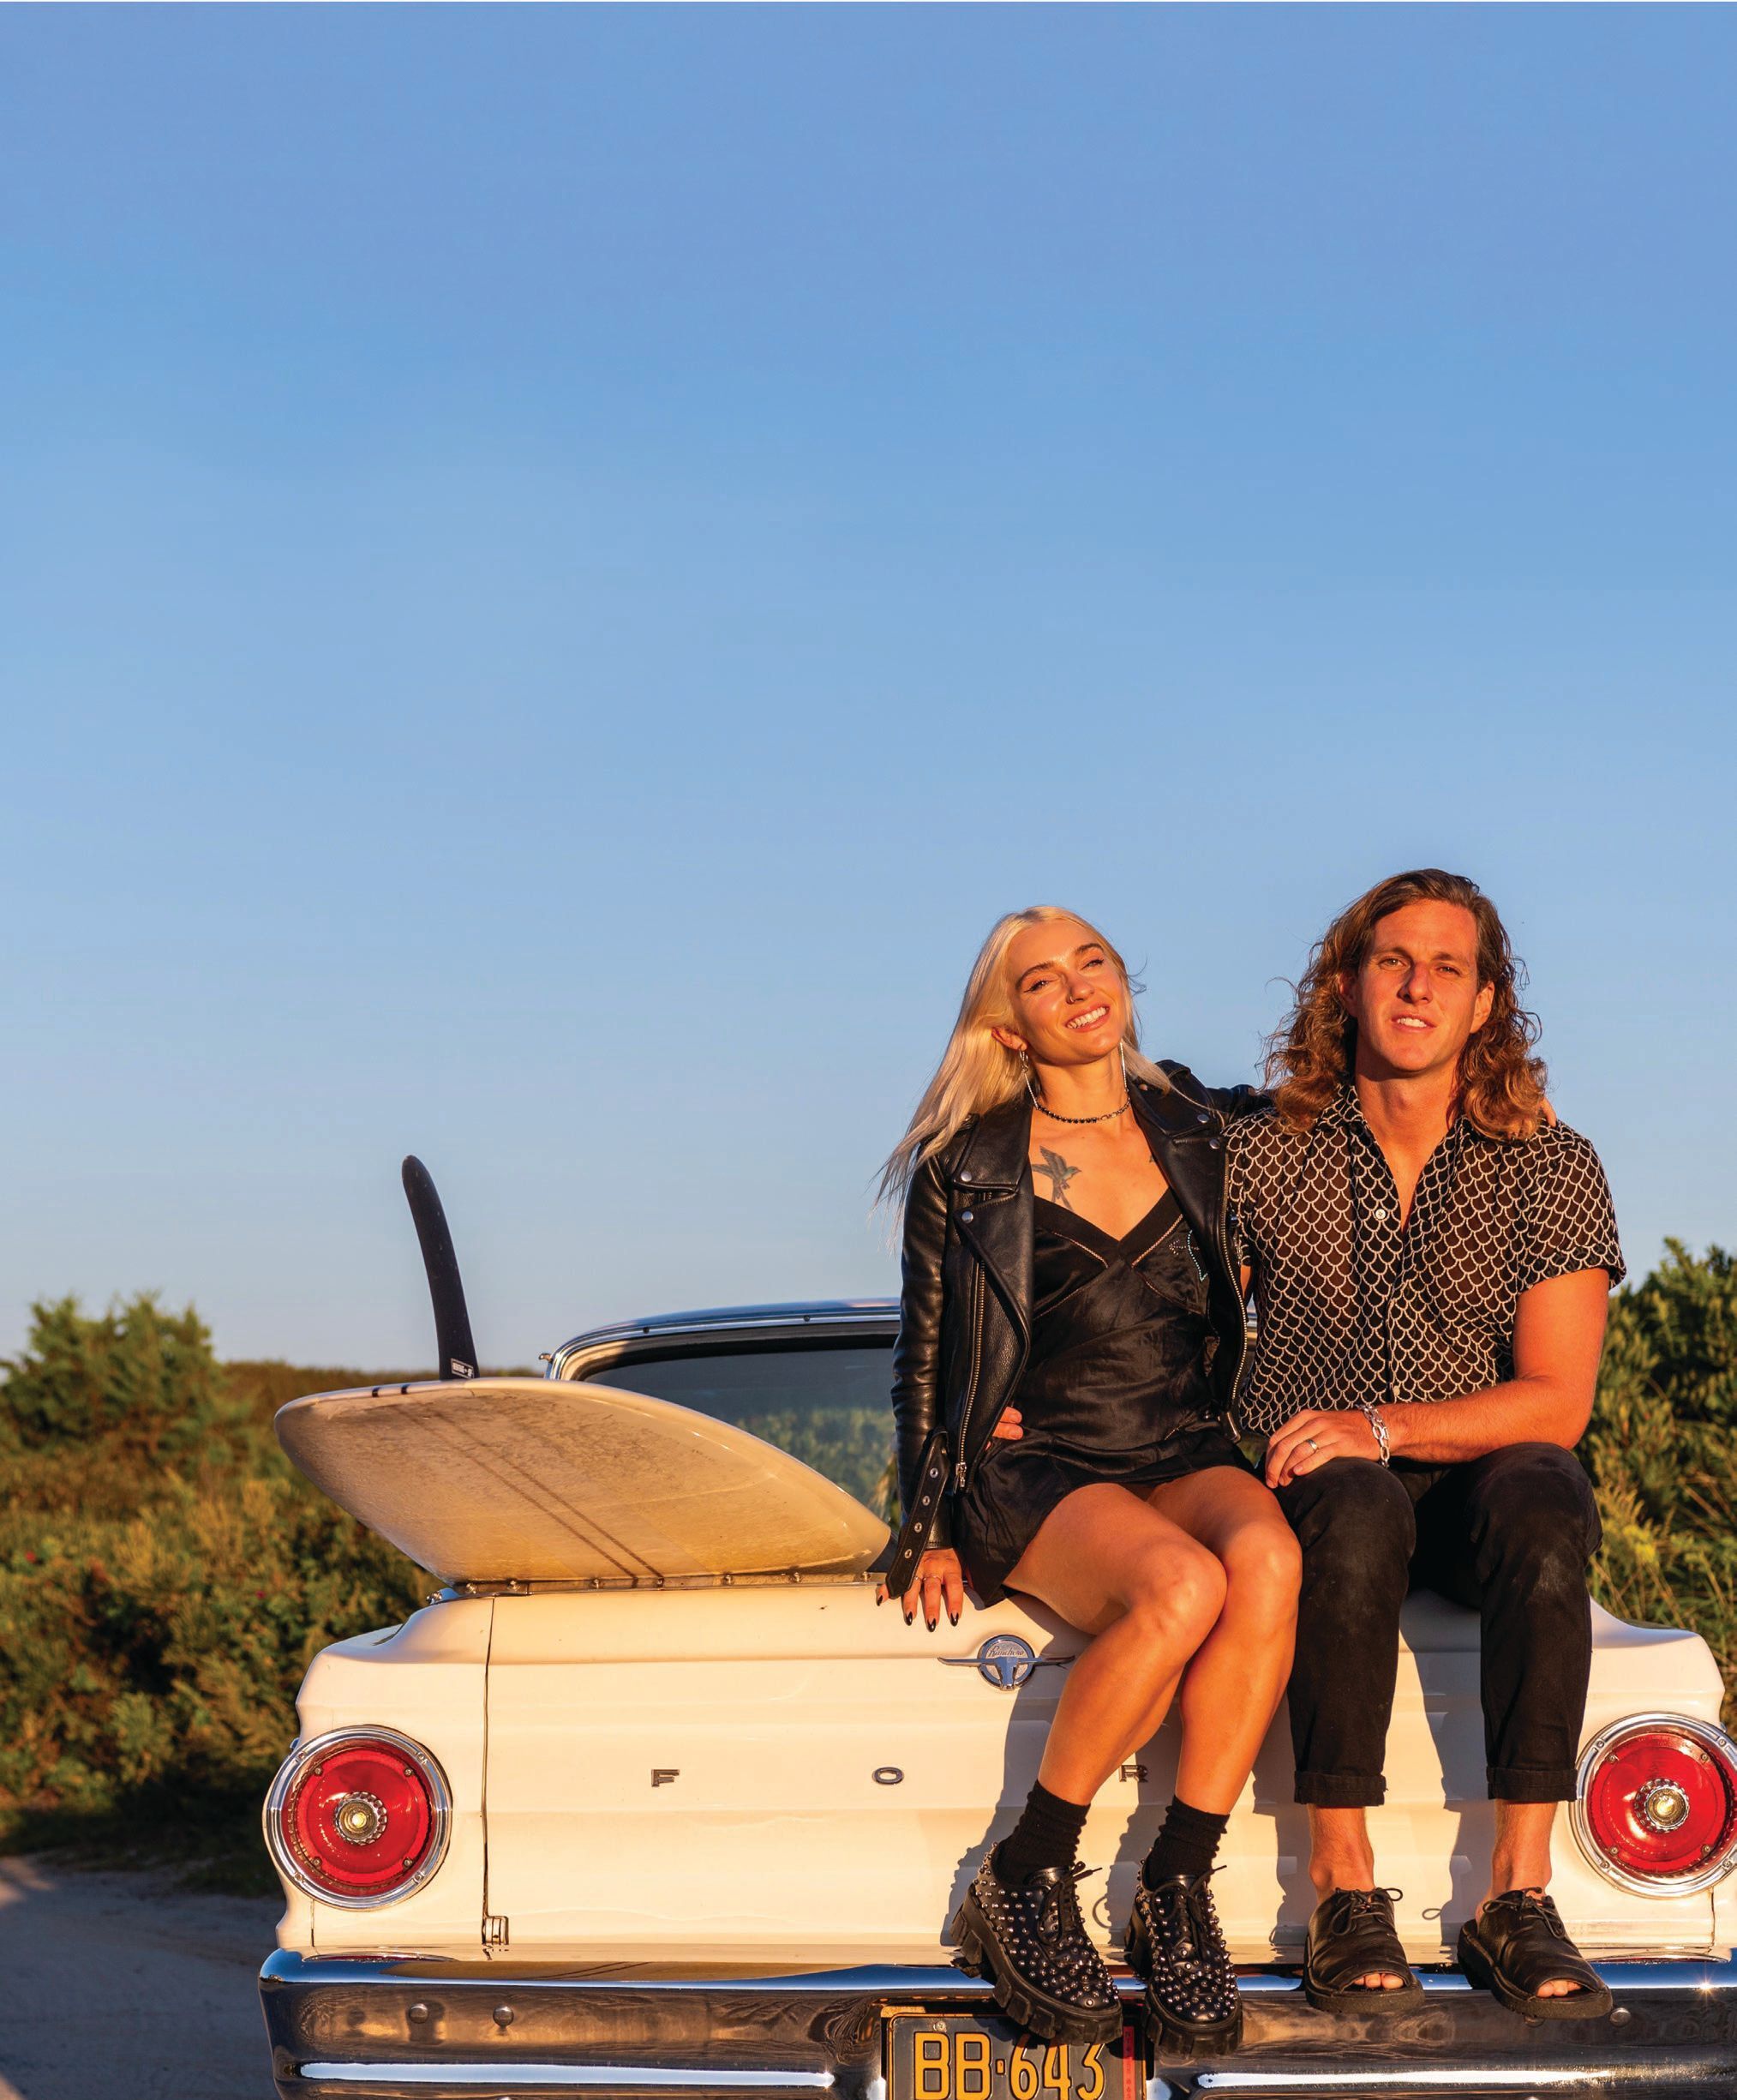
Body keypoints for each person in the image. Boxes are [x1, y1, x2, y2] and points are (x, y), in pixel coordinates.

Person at [879, 907, 1300, 2057]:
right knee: (1180, 1587)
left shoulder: (1204, 1125)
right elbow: (924, 1355)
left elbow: (1345, 1096)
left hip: (1184, 1442)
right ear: (1007, 1029)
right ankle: (1027, 1868)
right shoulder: (966, 1167)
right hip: (1039, 1461)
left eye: (1093, 962)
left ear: (1122, 982)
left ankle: (1178, 1881)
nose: (1076, 987)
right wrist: (927, 1524)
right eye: (1040, 980)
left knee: (1267, 1557)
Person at [1230, 868, 1623, 2020]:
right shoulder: (1259, 1151)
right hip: (1318, 1497)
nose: (1418, 987)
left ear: (1485, 1001)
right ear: (1345, 985)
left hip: (1471, 1498)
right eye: (1393, 961)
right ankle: (1344, 1886)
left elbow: (1557, 1399)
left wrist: (1385, 1426)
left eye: (1448, 967)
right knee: (1355, 1499)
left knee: (1547, 1487)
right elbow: (1171, 1323)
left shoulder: (1553, 1164)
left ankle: (1518, 1892)